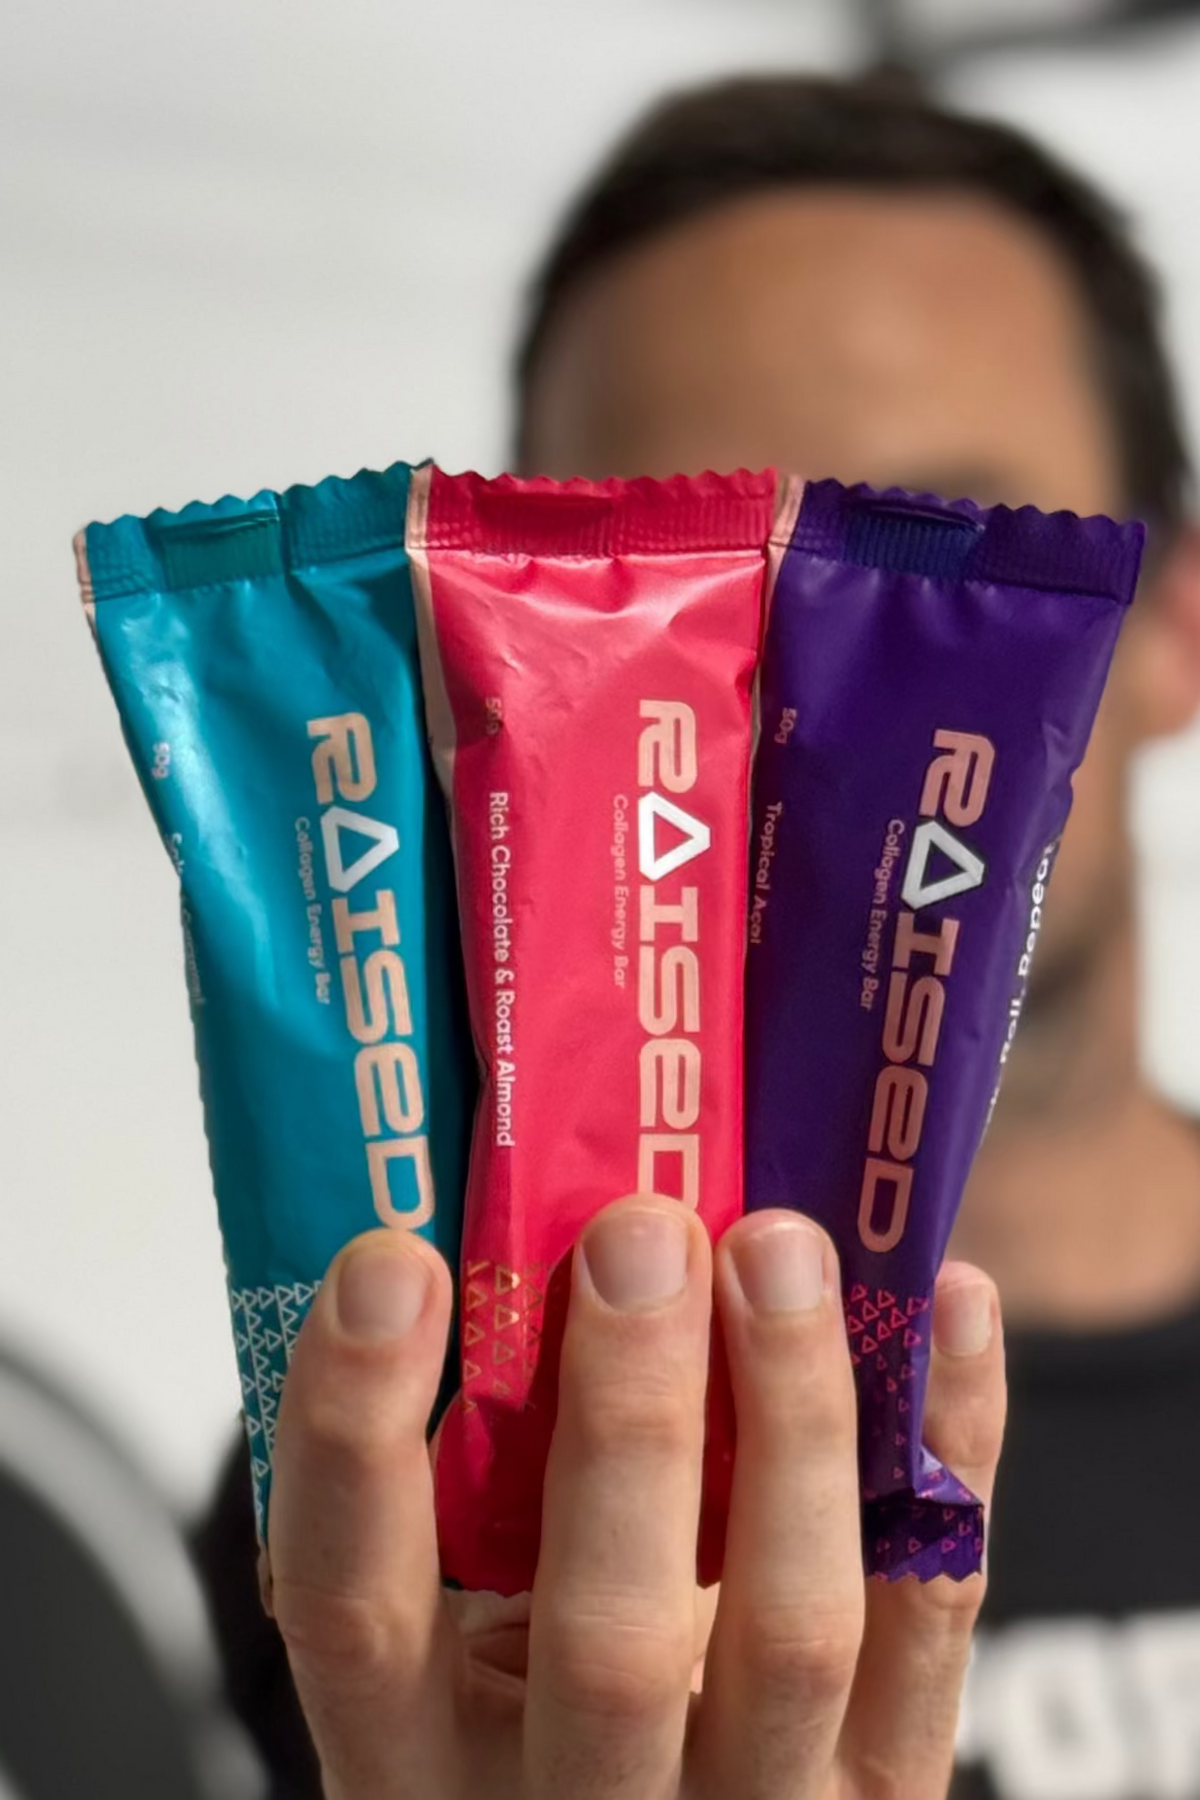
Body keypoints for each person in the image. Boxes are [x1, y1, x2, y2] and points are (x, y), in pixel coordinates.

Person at [191, 71, 1200, 1799]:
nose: (805, 715)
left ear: (1174, 629)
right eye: (681, 597)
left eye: (941, 571)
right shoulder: (410, 1466)